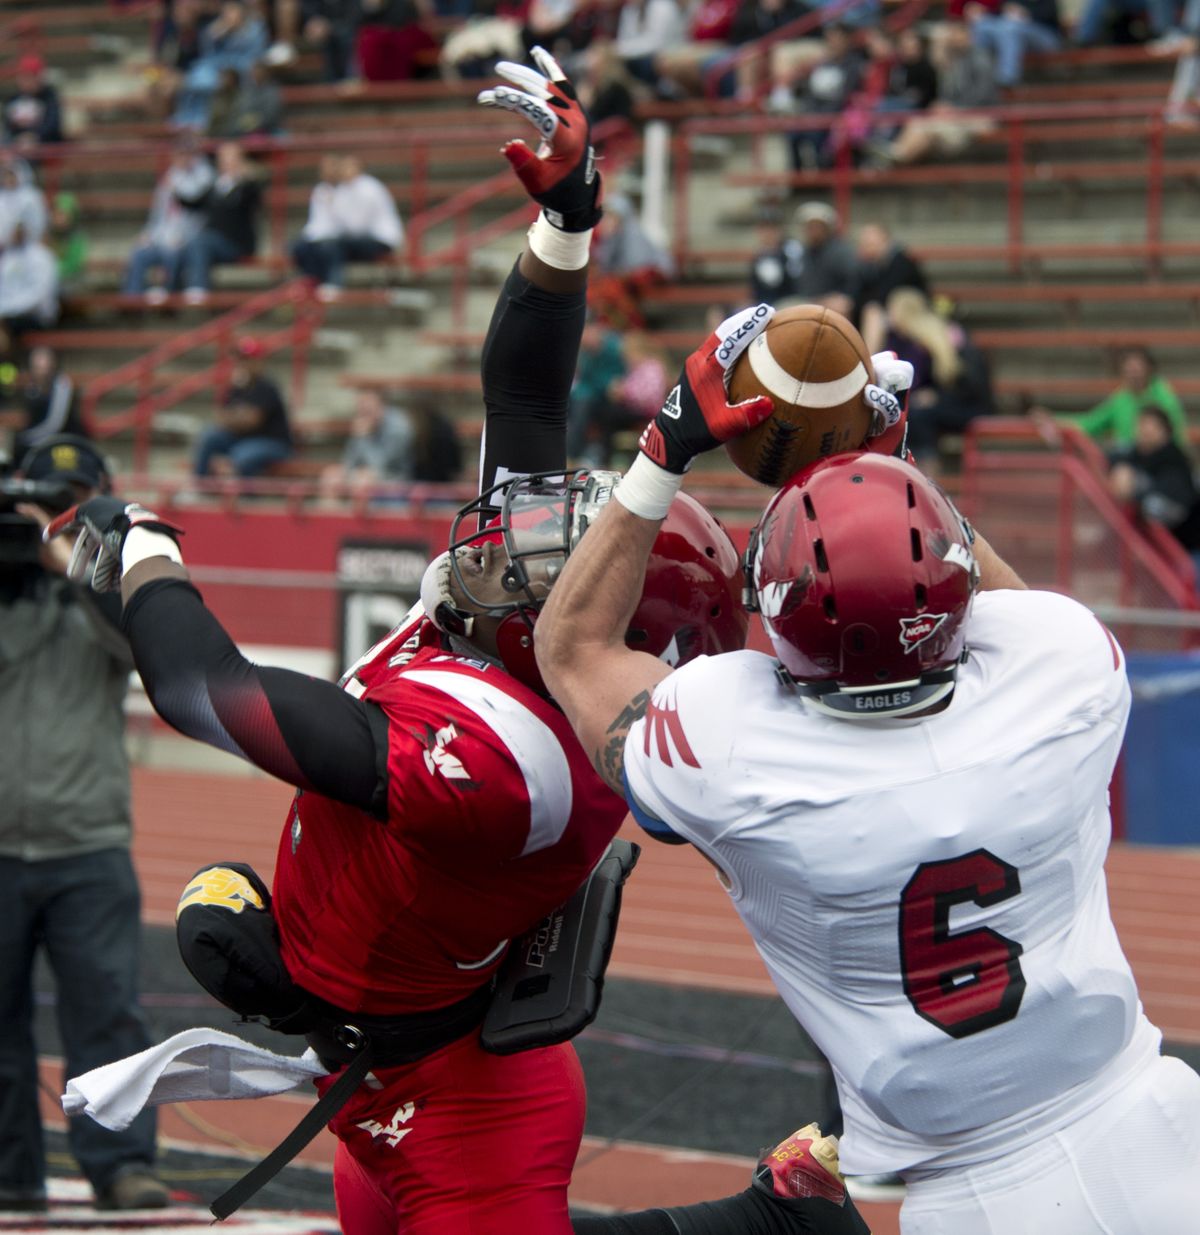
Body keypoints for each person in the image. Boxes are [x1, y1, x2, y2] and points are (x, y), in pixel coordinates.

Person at [48, 52, 756, 1235]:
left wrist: (141, 550)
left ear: (607, 622)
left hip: (468, 1103)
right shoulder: (541, 631)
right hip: (375, 1060)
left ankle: (772, 1220)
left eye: (562, 550)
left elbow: (200, 686)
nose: (519, 529)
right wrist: (567, 221)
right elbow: (522, 395)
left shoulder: (512, 763)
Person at [534, 308, 1200, 1235]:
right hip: (1157, 1121)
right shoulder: (1065, 672)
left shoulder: (736, 748)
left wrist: (666, 444)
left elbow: (570, 648)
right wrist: (890, 469)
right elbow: (987, 594)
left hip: (968, 1196)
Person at [0, 436, 168, 1214]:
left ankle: (121, 1163)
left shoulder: (110, 582)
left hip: (88, 840)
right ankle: (9, 1171)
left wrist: (62, 561)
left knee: (107, 1017)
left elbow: (137, 643)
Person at [883, 287, 992, 466]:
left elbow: (964, 383)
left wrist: (936, 397)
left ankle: (925, 472)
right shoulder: (909, 339)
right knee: (910, 414)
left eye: (891, 310)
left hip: (969, 405)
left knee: (916, 416)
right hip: (949, 402)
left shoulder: (931, 338)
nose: (888, 317)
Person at [291, 155, 404, 298]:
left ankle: (333, 284)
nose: (343, 171)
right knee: (307, 247)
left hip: (380, 239)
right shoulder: (341, 190)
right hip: (357, 238)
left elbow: (357, 227)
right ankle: (312, 282)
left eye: (347, 167)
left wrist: (332, 205)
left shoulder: (369, 188)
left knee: (332, 246)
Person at [121, 136, 216, 303]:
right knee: (139, 252)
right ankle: (131, 300)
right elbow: (158, 215)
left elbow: (197, 213)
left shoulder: (203, 177)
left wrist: (180, 236)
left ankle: (167, 294)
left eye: (187, 154)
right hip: (163, 234)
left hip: (188, 237)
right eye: (179, 154)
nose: (183, 158)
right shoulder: (168, 178)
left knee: (171, 250)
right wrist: (147, 234)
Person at [175, 140, 263, 304]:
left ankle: (198, 287)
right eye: (223, 158)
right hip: (214, 242)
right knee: (188, 244)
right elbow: (194, 204)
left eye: (230, 158)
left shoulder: (247, 185)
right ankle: (173, 290)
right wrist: (176, 187)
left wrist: (245, 180)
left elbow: (254, 201)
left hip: (236, 243)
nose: (226, 163)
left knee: (201, 241)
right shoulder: (216, 185)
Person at [193, 336, 294, 477]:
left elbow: (252, 421)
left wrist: (234, 418)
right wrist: (239, 417)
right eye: (240, 359)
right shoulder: (236, 387)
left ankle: (246, 497)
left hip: (273, 443)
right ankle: (199, 485)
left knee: (243, 455)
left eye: (246, 359)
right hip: (242, 439)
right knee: (210, 436)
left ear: (258, 361)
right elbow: (220, 416)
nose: (241, 363)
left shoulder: (266, 387)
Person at [1052, 344, 1189, 447]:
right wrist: (1054, 421)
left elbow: (1177, 437)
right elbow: (1090, 424)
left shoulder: (1164, 397)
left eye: (1137, 368)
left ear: (1149, 368)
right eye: (1129, 369)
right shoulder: (1120, 399)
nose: (1134, 374)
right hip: (1130, 462)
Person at [1108, 404, 1199, 547]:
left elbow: (1169, 509)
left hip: (1185, 546)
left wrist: (1137, 496)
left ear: (1165, 432)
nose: (1144, 431)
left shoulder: (1173, 460)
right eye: (1141, 426)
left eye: (1151, 427)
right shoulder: (1133, 454)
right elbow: (1113, 459)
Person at [749, 201, 857, 318]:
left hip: (825, 302)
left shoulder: (839, 252)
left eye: (818, 226)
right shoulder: (800, 252)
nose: (814, 230)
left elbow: (851, 284)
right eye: (810, 226)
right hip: (802, 302)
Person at [0, 346, 87, 463]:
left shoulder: (63, 385)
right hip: (38, 441)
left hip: (64, 440)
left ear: (53, 364)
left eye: (43, 365)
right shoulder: (31, 388)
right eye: (36, 366)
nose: (40, 370)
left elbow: (54, 424)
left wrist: (24, 438)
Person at [853, 223, 929, 353]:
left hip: (910, 311)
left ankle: (868, 362)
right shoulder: (873, 266)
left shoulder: (901, 261)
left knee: (873, 313)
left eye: (869, 241)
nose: (865, 245)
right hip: (891, 311)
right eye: (863, 242)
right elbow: (859, 295)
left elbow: (883, 296)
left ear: (884, 239)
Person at [967, 0, 1062, 87]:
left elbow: (1049, 14)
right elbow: (999, 13)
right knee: (982, 25)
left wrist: (1024, 14)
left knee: (1010, 27)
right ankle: (979, 78)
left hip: (1046, 36)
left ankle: (1007, 78)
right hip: (1010, 29)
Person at [0, 223, 60, 340]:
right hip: (10, 313)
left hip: (37, 316)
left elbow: (39, 296)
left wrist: (8, 310)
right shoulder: (8, 257)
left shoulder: (41, 257)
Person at [2, 55, 64, 148]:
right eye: (21, 76)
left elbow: (52, 125)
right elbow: (8, 126)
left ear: (39, 77)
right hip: (16, 145)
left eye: (28, 76)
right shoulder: (14, 99)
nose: (23, 81)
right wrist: (16, 138)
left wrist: (34, 136)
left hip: (43, 147)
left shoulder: (49, 98)